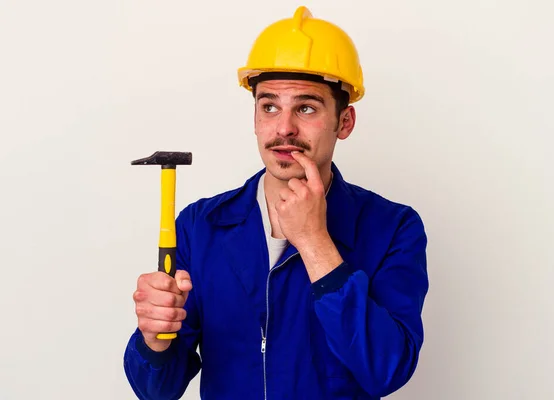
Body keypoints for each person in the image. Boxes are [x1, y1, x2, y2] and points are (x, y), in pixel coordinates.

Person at [123, 6, 429, 400]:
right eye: (269, 106)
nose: (284, 128)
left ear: (345, 122)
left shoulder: (393, 228)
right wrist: (154, 338)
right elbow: (156, 391)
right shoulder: (202, 226)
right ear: (255, 118)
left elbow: (387, 369)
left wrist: (316, 243)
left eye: (306, 107)